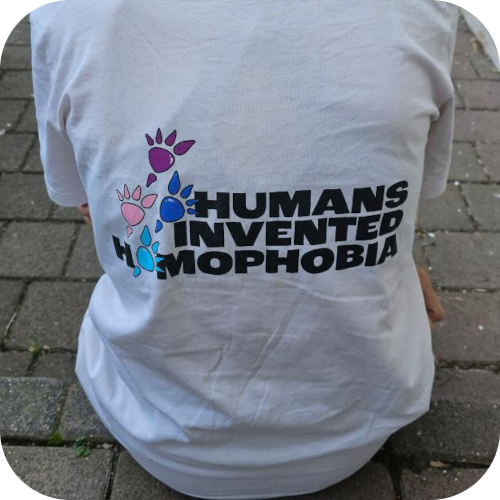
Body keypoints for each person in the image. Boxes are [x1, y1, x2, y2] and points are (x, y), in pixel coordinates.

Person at [30, 1, 456, 498]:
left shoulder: (67, 12)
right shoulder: (424, 9)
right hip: (357, 427)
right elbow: (401, 189)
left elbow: (91, 203)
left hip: (157, 429)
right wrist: (380, 264)